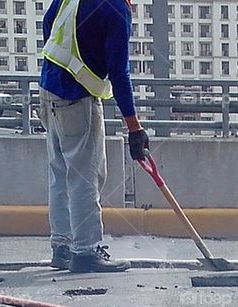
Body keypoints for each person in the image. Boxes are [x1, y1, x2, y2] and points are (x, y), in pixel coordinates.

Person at [39, 0, 148, 273]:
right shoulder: (115, 9)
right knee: (85, 175)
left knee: (60, 172)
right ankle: (85, 251)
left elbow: (48, 23)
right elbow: (119, 73)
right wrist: (134, 128)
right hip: (77, 100)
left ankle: (62, 246)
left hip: (48, 90)